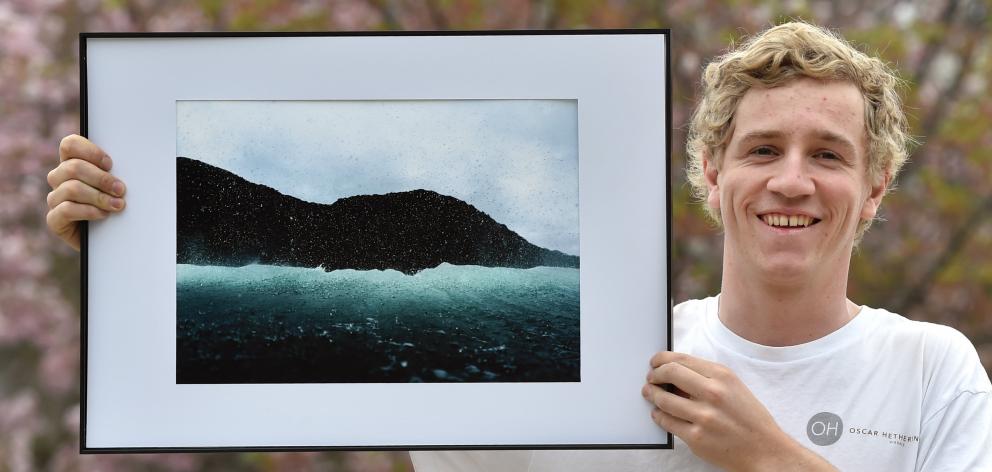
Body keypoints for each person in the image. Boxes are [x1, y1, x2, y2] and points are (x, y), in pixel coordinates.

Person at [48, 22, 990, 471]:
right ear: (710, 176)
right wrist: (124, 240)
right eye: (761, 150)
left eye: (828, 154)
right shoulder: (592, 371)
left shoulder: (932, 369)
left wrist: (768, 459)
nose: (792, 180)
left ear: (873, 191)